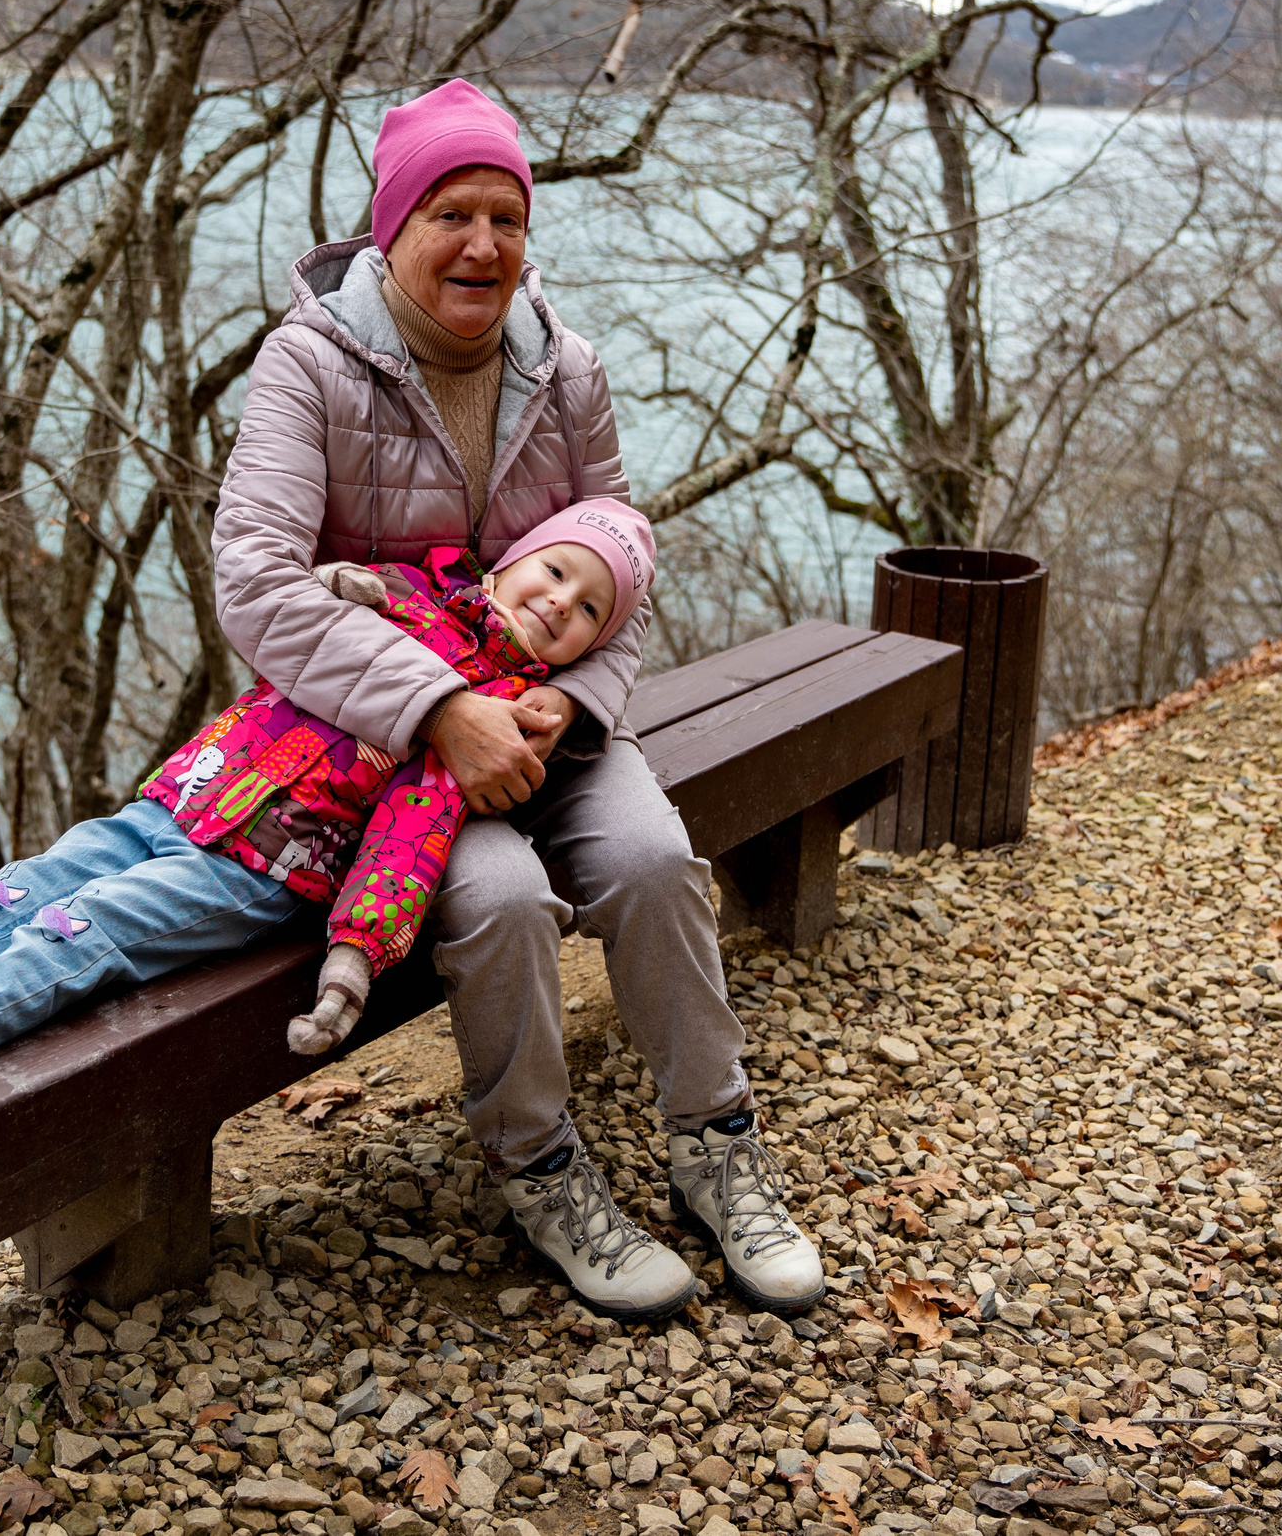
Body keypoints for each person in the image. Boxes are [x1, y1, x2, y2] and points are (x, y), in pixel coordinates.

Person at [211, 77, 823, 1319]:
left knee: (653, 860)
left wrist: (579, 704)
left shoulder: (567, 372)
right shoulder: (307, 369)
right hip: (386, 749)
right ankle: (538, 1165)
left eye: (506, 215)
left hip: (551, 722)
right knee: (498, 898)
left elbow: (622, 565)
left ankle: (716, 1144)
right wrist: (443, 709)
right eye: (451, 211)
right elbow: (259, 588)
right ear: (393, 227)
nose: (482, 243)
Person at [0, 500, 642, 1128]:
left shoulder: (497, 726)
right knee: (17, 891)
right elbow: (317, 608)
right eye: (556, 571)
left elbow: (408, 838)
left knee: (80, 933)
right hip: (184, 798)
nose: (560, 602)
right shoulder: (407, 600)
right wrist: (348, 586)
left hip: (258, 866)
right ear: (509, 562)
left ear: (586, 649)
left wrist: (355, 957)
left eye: (590, 608)